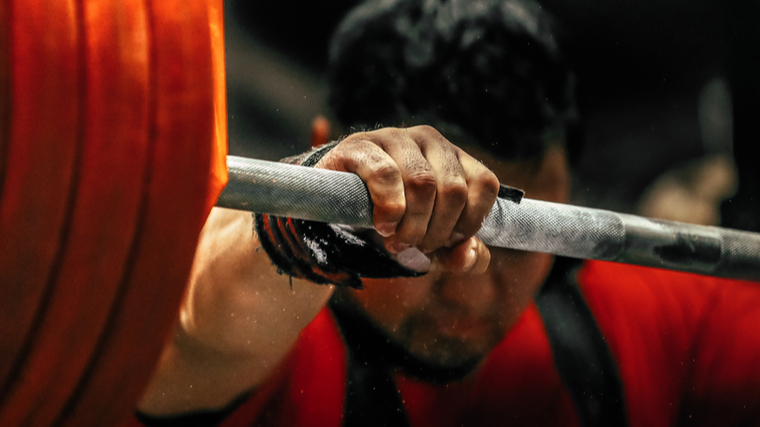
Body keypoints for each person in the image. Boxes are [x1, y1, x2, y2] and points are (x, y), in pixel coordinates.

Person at [126, 0, 760, 426]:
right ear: (326, 139)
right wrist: (316, 216)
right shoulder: (272, 344)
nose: (473, 286)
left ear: (567, 188)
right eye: (427, 232)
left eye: (521, 237)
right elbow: (189, 327)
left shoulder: (650, 320)